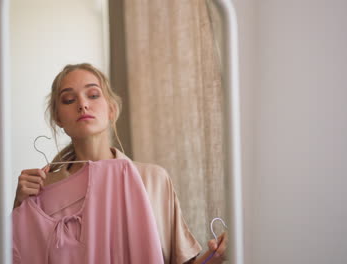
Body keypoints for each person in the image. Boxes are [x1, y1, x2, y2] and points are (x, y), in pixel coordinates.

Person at [12, 63, 227, 263]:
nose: (83, 104)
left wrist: (215, 256)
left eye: (93, 95)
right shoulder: (43, 189)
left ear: (111, 109)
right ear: (58, 117)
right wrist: (20, 205)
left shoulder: (153, 180)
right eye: (69, 100)